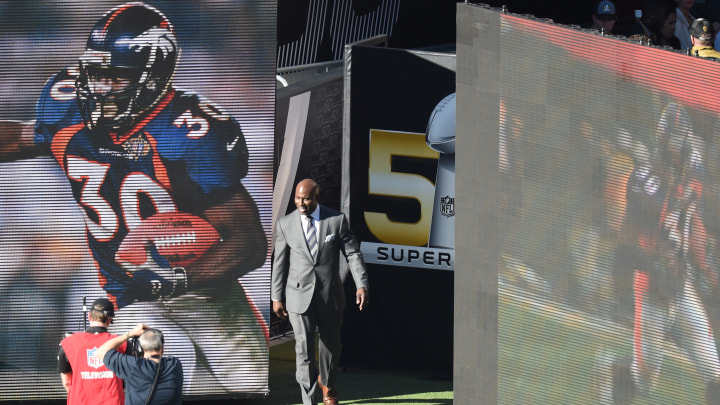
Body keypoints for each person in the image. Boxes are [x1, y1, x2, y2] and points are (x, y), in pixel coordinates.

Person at [0, 2, 268, 392]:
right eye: (95, 75)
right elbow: (20, 137)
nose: (99, 88)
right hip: (122, 290)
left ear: (153, 75)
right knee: (156, 381)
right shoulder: (66, 104)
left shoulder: (190, 131)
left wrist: (176, 280)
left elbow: (250, 243)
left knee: (253, 383)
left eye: (116, 77)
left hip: (205, 288)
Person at [598, 103, 720, 404]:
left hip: (682, 285)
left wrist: (710, 273)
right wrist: (649, 267)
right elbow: (626, 239)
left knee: (716, 376)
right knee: (643, 383)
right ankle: (614, 371)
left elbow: (693, 227)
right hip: (652, 288)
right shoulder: (644, 179)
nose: (683, 156)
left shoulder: (692, 178)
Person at [271, 179, 370, 405]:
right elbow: (279, 263)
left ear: (316, 197)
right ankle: (309, 399)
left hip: (330, 296)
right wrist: (276, 297)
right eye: (297, 198)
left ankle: (329, 386)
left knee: (330, 346)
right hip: (298, 297)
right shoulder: (286, 224)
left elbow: (353, 254)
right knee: (303, 350)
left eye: (305, 198)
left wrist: (361, 284)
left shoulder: (336, 220)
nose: (300, 203)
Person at [57, 298, 126, 405]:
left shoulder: (68, 343)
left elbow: (67, 382)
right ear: (109, 321)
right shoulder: (122, 343)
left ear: (89, 316)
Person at [97, 323, 183, 405]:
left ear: (140, 349)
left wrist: (130, 333)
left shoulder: (134, 366)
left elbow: (101, 351)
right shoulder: (174, 365)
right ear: (162, 348)